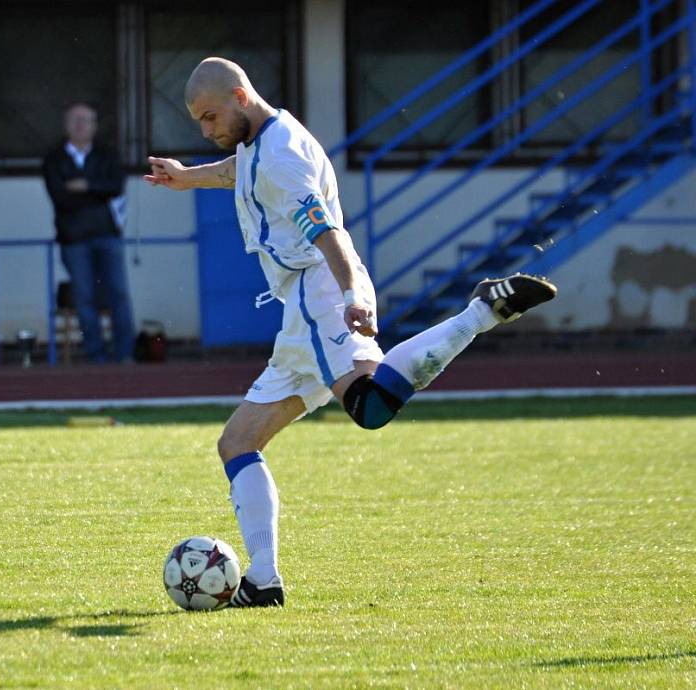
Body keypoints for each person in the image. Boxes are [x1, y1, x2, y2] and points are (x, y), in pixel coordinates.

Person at [144, 58, 557, 607]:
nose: (206, 130)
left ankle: (479, 314)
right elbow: (240, 172)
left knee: (370, 405)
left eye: (211, 116)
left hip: (319, 291)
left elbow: (325, 229)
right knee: (237, 443)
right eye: (199, 121)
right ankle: (263, 582)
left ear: (241, 96)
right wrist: (188, 176)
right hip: (301, 306)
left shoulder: (284, 155)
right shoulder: (262, 141)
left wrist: (352, 295)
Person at [43, 103, 136, 363]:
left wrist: (84, 186)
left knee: (118, 293)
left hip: (107, 234)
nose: (80, 125)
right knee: (84, 298)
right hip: (73, 240)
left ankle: (125, 354)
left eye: (86, 120)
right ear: (66, 124)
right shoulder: (54, 159)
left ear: (95, 125)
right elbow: (60, 197)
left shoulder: (107, 155)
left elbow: (116, 186)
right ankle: (96, 357)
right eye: (75, 120)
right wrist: (97, 193)